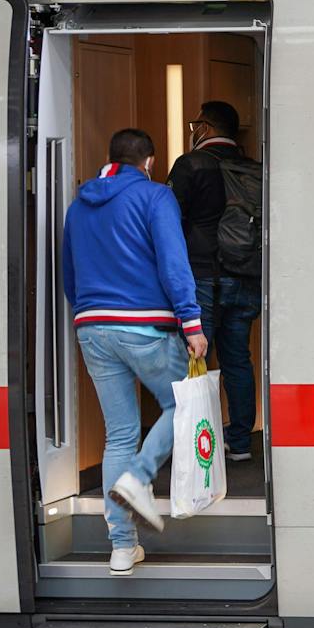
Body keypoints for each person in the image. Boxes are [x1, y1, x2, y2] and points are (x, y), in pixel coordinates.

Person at [62, 129, 208, 575]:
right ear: (148, 161)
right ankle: (140, 478)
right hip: (144, 325)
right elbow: (173, 261)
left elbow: (69, 273)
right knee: (181, 404)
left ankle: (122, 547)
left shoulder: (78, 205)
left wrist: (91, 314)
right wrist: (192, 322)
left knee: (119, 434)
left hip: (92, 327)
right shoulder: (155, 197)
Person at [168, 100, 262, 462]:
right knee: (238, 359)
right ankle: (239, 443)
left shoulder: (191, 165)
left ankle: (197, 444)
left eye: (196, 124)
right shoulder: (254, 168)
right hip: (245, 278)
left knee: (196, 360)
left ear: (204, 127)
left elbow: (169, 223)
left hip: (202, 279)